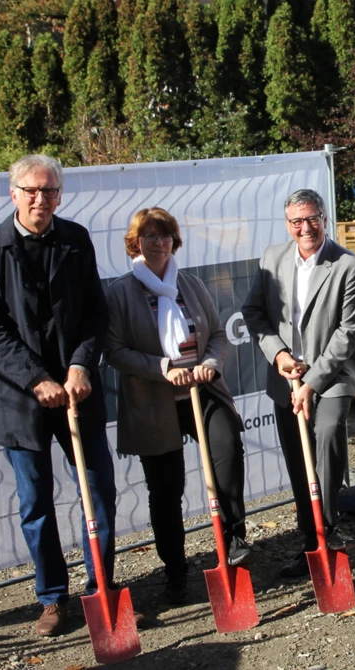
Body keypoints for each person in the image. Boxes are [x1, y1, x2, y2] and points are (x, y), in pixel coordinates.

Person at [0, 154, 115, 637]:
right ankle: (52, 597)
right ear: (13, 194)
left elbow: (96, 311)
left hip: (78, 391)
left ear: (59, 196)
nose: (40, 199)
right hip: (19, 399)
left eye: (49, 191)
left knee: (99, 493)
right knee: (36, 504)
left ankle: (102, 589)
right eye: (31, 190)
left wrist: (79, 365)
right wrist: (35, 378)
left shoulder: (76, 240)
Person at [103, 207, 252, 607]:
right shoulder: (120, 293)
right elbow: (114, 350)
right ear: (135, 242)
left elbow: (218, 335)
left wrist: (210, 364)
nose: (158, 242)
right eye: (149, 235)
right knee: (166, 491)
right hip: (154, 402)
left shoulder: (190, 284)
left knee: (227, 456)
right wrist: (162, 368)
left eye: (165, 235)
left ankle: (233, 540)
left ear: (174, 240)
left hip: (203, 391)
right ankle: (175, 570)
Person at [241, 188, 355, 578]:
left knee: (328, 434)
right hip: (285, 377)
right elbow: (254, 312)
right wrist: (279, 355)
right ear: (287, 225)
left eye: (312, 218)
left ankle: (327, 530)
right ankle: (309, 541)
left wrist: (312, 382)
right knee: (298, 461)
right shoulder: (272, 259)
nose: (305, 228)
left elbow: (348, 333)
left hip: (332, 377)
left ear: (325, 220)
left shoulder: (348, 265)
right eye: (297, 221)